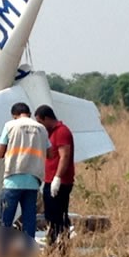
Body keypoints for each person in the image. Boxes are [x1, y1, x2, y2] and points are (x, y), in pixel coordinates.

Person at [0, 102, 49, 239]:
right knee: (29, 220)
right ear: (29, 114)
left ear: (14, 115)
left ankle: (2, 253)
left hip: (13, 179)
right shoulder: (41, 128)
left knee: (5, 221)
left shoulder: (10, 126)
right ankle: (28, 253)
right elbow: (51, 153)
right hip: (33, 181)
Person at [35, 104, 75, 248]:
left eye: (40, 122)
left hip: (60, 182)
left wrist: (57, 178)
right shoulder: (50, 133)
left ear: (46, 119)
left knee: (58, 214)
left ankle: (59, 242)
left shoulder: (62, 132)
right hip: (49, 179)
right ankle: (55, 242)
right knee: (51, 215)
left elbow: (65, 156)